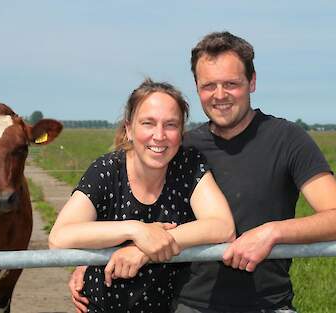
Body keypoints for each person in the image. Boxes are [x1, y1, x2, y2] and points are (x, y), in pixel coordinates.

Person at [69, 31, 336, 313]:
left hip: (267, 303)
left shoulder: (287, 140)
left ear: (252, 82)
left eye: (231, 83)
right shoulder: (180, 148)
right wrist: (93, 259)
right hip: (189, 303)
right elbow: (141, 209)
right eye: (209, 86)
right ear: (197, 87)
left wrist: (272, 232)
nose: (219, 95)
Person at [49, 78, 235, 313]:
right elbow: (59, 237)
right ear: (129, 129)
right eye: (148, 123)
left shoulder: (188, 166)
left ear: (181, 132)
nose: (159, 135)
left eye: (170, 125)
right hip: (102, 306)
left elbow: (223, 226)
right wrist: (136, 230)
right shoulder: (107, 170)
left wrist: (145, 250)